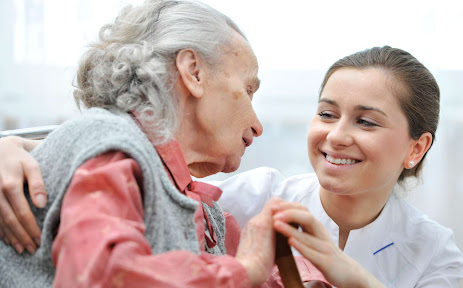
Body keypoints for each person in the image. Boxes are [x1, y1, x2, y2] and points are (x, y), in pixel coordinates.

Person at [0, 47, 463, 286]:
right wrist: (11, 148)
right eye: (326, 114)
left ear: (415, 148)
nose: (337, 135)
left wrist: (350, 276)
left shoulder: (436, 253)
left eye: (365, 121)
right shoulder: (254, 198)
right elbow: (140, 156)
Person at [0, 0, 283, 287]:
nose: (257, 126)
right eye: (247, 90)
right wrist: (244, 272)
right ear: (194, 72)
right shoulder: (109, 143)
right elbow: (104, 277)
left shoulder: (199, 207)